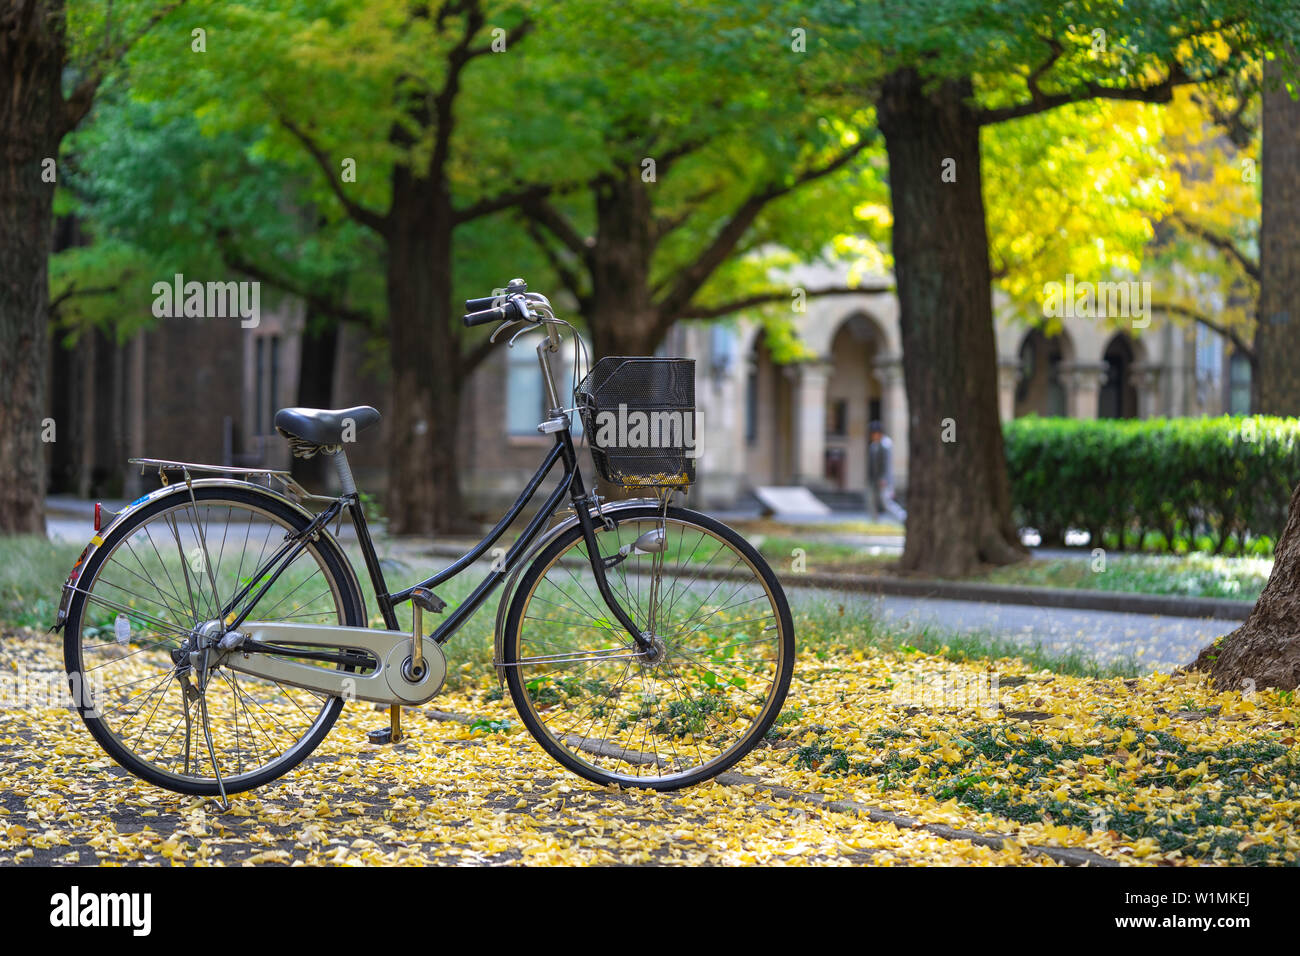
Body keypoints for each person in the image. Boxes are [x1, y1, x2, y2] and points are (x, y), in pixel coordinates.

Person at [867, 420, 906, 522]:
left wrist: (883, 479)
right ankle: (875, 521)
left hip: (884, 480)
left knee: (886, 502)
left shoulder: (886, 444)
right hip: (875, 480)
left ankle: (903, 517)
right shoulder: (874, 446)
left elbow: (886, 464)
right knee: (871, 500)